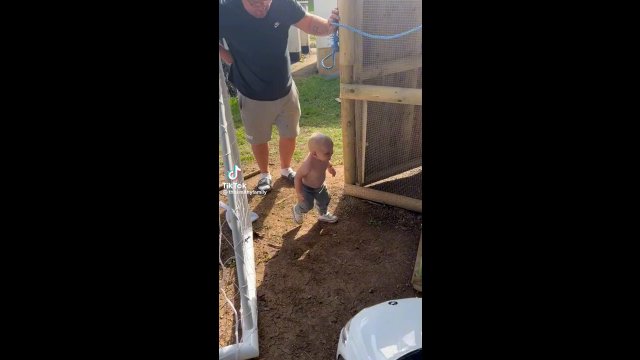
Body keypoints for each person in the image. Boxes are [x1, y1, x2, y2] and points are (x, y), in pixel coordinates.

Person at [219, 0, 340, 193]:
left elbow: (309, 23)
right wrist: (230, 59)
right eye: (254, 3)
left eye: (265, 1)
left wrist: (330, 26)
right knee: (258, 139)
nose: (262, 6)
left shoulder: (283, 5)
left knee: (289, 134)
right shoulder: (225, 10)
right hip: (252, 93)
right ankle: (264, 174)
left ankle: (285, 169)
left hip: (285, 89)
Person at [292, 132, 338, 224]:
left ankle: (323, 214)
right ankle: (297, 209)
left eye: (331, 152)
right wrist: (299, 193)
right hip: (307, 188)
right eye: (327, 154)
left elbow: (326, 161)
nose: (330, 156)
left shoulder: (323, 156)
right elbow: (297, 177)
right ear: (314, 154)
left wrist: (330, 167)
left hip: (320, 186)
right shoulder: (307, 165)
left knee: (325, 199)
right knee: (307, 205)